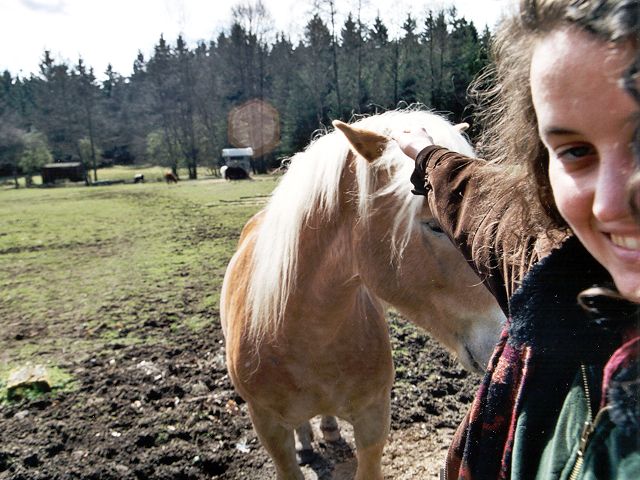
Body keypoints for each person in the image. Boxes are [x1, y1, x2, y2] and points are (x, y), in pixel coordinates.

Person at [393, 0, 639, 478]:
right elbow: (487, 210)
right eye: (575, 151)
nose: (608, 206)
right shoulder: (562, 265)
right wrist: (426, 157)